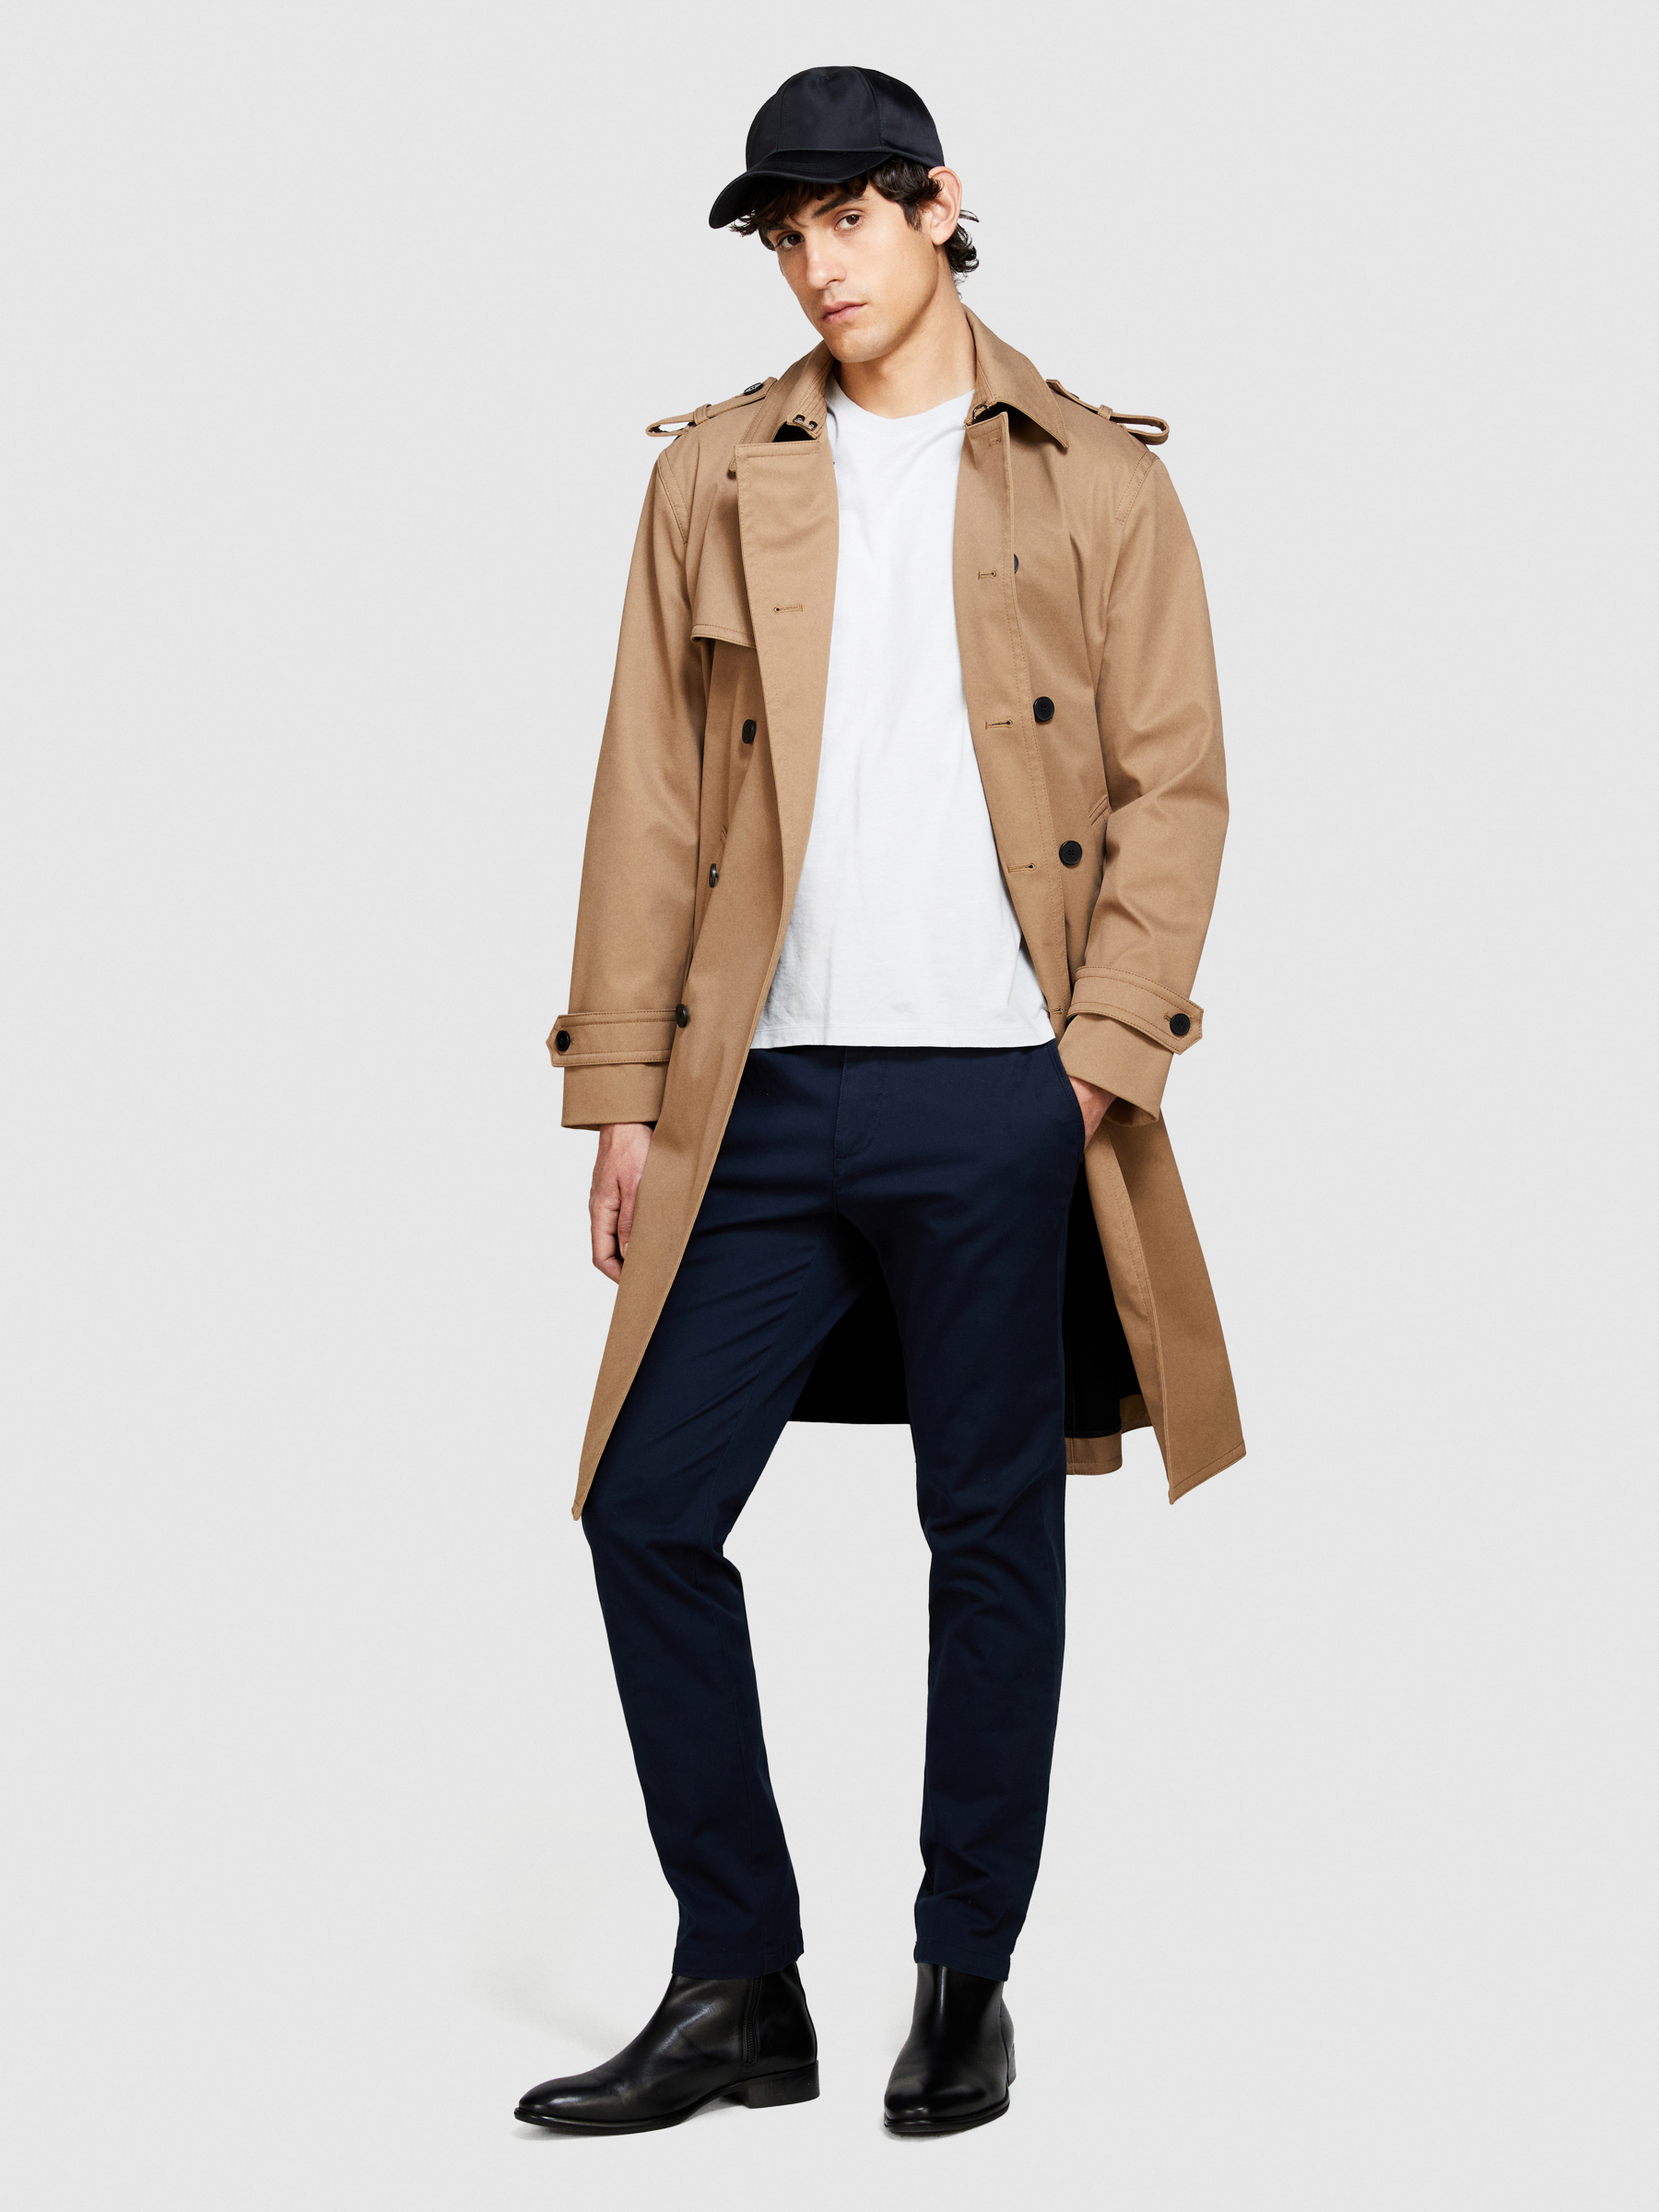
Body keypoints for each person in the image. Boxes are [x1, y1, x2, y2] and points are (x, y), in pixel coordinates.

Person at [516, 65, 1243, 2138]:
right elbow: (649, 792)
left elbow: (1175, 786)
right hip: (756, 1097)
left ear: (939, 206)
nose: (816, 262)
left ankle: (964, 1979)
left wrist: (1091, 1070)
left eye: (848, 215)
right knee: (647, 1508)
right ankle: (739, 1982)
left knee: (989, 1535)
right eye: (785, 231)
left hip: (1002, 1096)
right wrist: (624, 1091)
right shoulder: (713, 474)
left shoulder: (1095, 479)